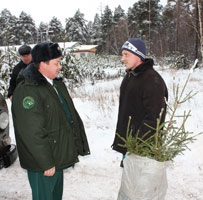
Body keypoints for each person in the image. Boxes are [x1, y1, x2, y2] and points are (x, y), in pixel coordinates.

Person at [11, 42, 90, 200]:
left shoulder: (54, 85)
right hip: (43, 164)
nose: (60, 67)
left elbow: (68, 118)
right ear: (42, 64)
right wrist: (45, 162)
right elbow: (31, 132)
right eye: (56, 63)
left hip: (56, 157)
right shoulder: (28, 90)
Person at [111, 38, 168, 167]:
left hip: (142, 149)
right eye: (122, 54)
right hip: (130, 146)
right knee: (130, 182)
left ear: (138, 55)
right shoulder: (131, 76)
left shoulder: (152, 80)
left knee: (141, 184)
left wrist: (138, 144)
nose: (122, 59)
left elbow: (155, 118)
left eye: (126, 54)